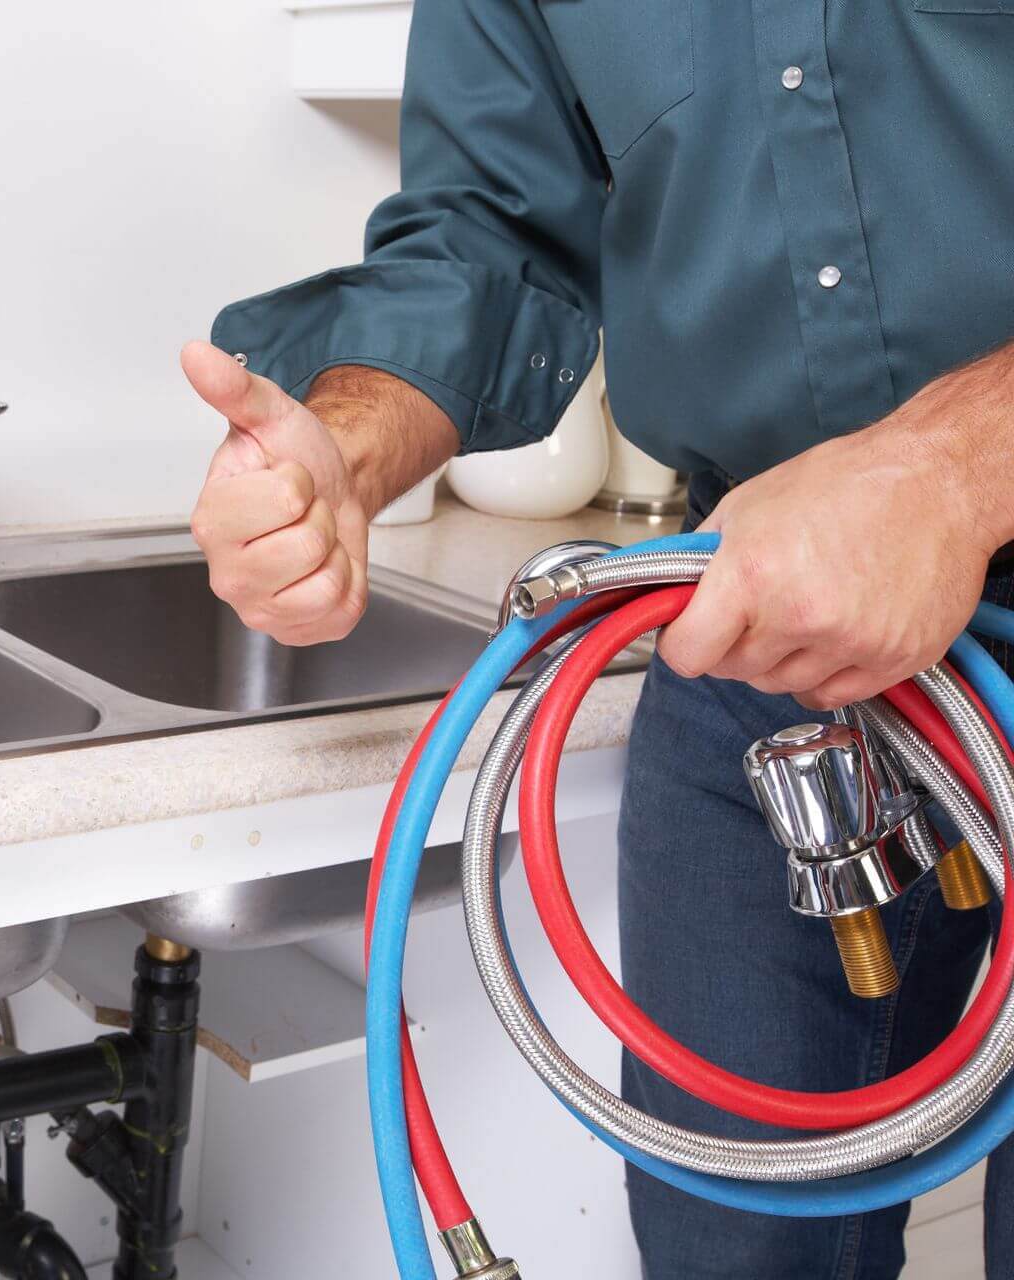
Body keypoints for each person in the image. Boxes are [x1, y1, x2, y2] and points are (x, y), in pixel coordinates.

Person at [181, 4, 1014, 1276]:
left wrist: (955, 470)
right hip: (754, 629)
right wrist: (342, 449)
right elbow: (488, 237)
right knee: (727, 1241)